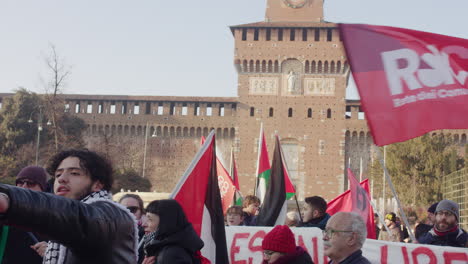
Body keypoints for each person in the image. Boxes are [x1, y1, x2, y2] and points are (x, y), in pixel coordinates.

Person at [0, 149, 138, 264]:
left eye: (74, 173)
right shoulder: (61, 220)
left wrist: (9, 200)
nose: (61, 179)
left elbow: (79, 217)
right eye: (58, 174)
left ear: (97, 184)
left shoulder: (112, 217)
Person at [0, 166, 48, 264]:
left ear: (43, 189)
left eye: (31, 183)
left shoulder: (54, 221)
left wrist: (51, 252)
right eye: (20, 182)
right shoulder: (5, 216)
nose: (24, 186)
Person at [141, 199, 204, 264]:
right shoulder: (171, 249)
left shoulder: (171, 254)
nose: (143, 224)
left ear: (166, 223)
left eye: (150, 219)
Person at [119, 193, 147, 264]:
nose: (128, 212)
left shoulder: (148, 235)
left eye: (133, 209)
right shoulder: (109, 231)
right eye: (123, 209)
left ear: (141, 211)